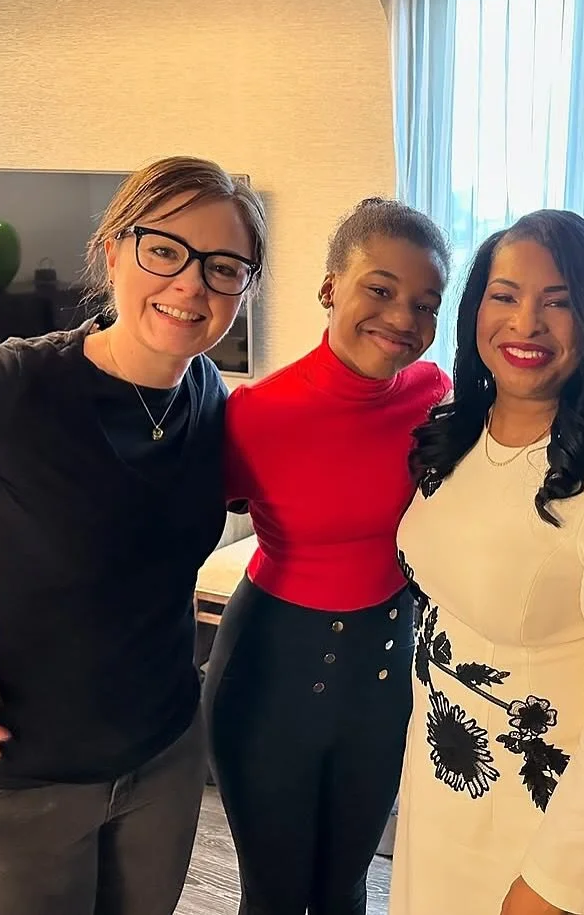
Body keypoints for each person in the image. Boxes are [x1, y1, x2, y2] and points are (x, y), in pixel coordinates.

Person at [0, 156, 266, 914]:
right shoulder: (10, 385)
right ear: (113, 251)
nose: (192, 284)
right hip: (16, 779)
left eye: (223, 267)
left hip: (162, 761)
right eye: (164, 249)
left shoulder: (207, 394)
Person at [391, 210, 584, 915]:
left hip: (552, 834)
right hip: (443, 796)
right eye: (505, 296)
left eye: (559, 302)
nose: (526, 323)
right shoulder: (458, 438)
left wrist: (553, 883)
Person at [202, 198, 451, 915]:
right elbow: (161, 528)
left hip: (381, 675)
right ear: (330, 287)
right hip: (270, 674)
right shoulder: (256, 413)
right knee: (275, 896)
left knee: (346, 890)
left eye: (425, 304)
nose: (402, 317)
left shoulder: (435, 394)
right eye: (380, 289)